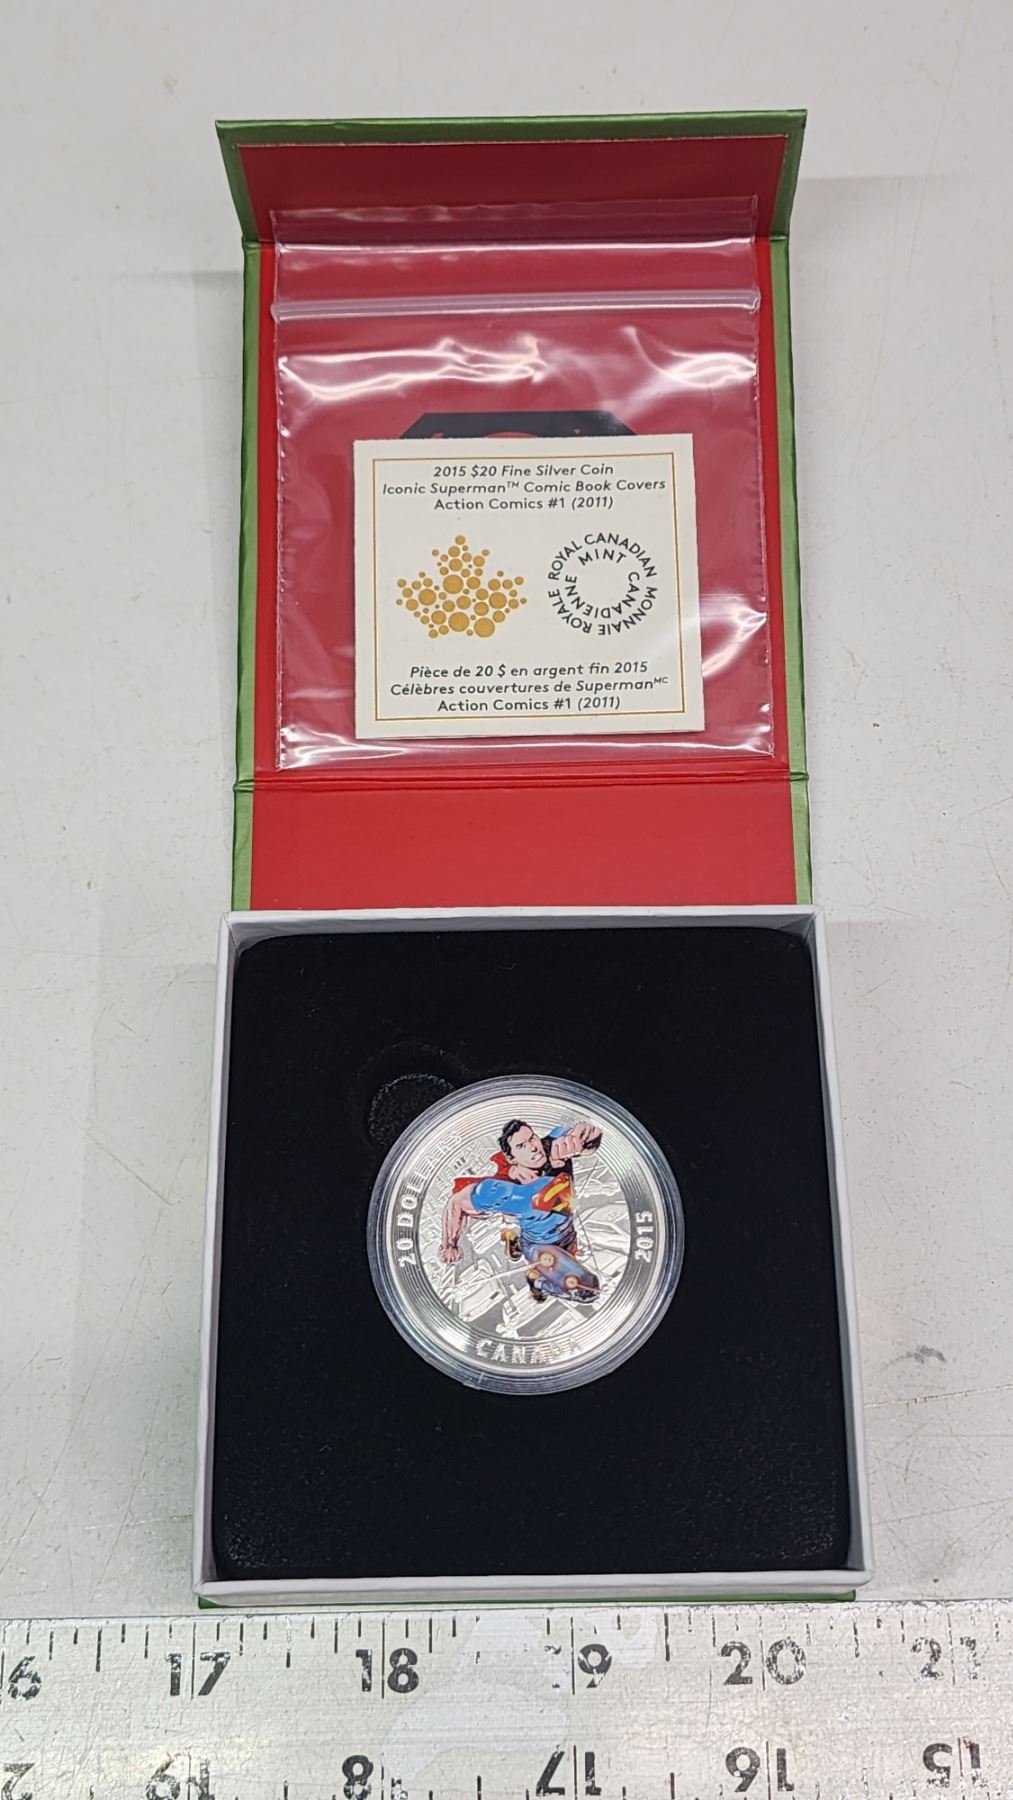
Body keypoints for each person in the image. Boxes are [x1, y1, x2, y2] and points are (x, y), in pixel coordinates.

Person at [439, 1117, 603, 1303]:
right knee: (587, 1288)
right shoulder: (501, 1191)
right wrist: (449, 1245)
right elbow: (456, 1203)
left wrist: (584, 1136)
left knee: (573, 1268)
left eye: (532, 1138)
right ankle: (537, 1283)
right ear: (511, 1158)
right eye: (521, 1146)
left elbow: (588, 1133)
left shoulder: (554, 1145)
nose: (533, 1147)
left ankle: (515, 1244)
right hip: (541, 1246)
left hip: (568, 1234)